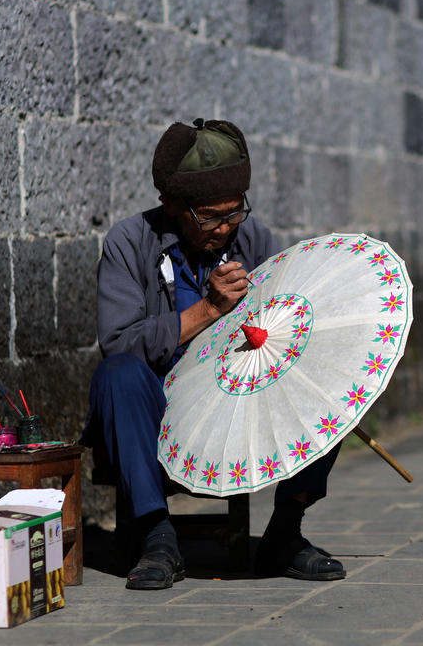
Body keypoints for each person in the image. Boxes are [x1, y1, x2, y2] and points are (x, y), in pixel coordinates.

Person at [82, 119, 345, 589]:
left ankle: (284, 532)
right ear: (171, 205)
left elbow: (283, 322)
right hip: (159, 412)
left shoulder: (253, 241)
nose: (224, 228)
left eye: (233, 213)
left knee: (330, 380)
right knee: (117, 373)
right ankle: (156, 537)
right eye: (209, 217)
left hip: (238, 403)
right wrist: (209, 309)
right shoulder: (129, 242)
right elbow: (120, 342)